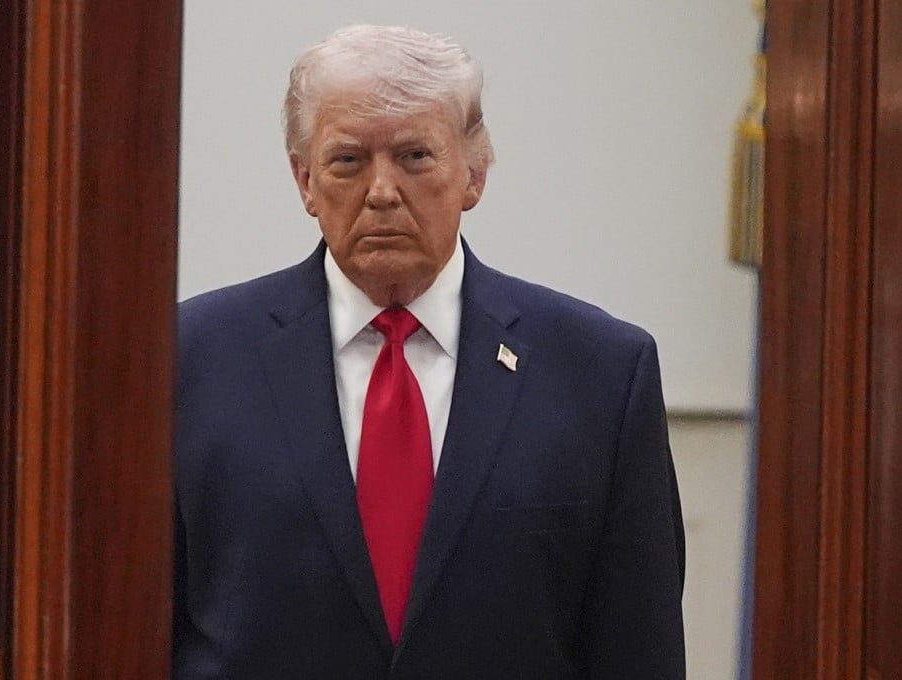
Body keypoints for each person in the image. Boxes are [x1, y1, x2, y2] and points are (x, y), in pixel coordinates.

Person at [173, 24, 685, 679]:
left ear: (474, 174)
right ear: (304, 180)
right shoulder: (194, 361)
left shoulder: (601, 375)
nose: (383, 191)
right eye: (349, 160)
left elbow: (639, 648)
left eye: (415, 157)